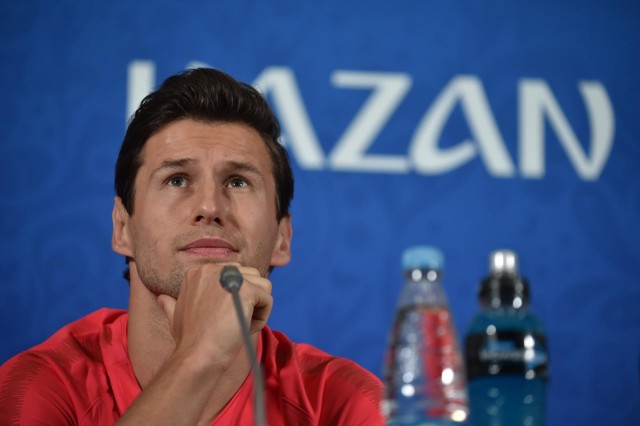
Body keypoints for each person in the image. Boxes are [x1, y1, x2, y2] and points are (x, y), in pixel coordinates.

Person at [0, 68, 384, 425]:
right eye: (177, 179)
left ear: (282, 239)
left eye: (237, 182)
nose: (209, 208)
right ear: (122, 228)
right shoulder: (39, 387)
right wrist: (201, 356)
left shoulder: (344, 404)